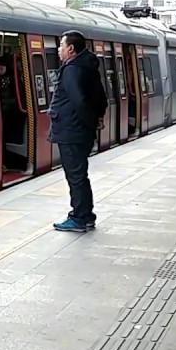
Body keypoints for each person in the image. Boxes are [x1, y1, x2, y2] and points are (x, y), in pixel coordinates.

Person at [48, 30, 108, 233]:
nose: (59, 50)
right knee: (80, 174)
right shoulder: (88, 67)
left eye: (61, 46)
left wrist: (89, 122)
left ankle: (80, 217)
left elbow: (78, 101)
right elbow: (101, 96)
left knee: (76, 176)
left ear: (71, 49)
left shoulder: (72, 69)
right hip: (79, 130)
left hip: (72, 130)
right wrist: (98, 117)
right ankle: (86, 215)